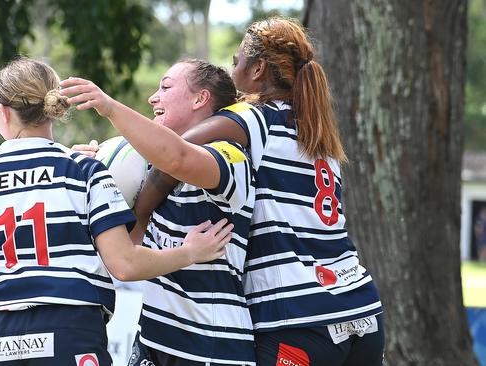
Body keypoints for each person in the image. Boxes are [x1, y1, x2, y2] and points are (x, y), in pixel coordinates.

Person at [62, 16, 384, 366]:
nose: (232, 73)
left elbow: (178, 155)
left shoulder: (253, 119)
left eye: (236, 63)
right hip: (359, 303)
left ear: (258, 68)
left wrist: (126, 188)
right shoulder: (315, 133)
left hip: (299, 314)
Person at [0, 57, 233, 366]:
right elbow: (124, 265)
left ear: (3, 110)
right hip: (68, 324)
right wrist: (189, 252)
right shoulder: (83, 170)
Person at [73, 59, 256, 365]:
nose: (152, 97)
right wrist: (85, 174)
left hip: (210, 346)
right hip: (154, 340)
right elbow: (124, 248)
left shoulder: (231, 155)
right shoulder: (143, 164)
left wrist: (110, 107)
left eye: (166, 87)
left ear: (201, 99)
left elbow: (179, 158)